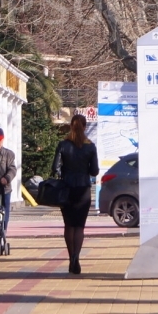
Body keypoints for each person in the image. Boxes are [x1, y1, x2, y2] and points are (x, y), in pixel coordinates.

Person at [53, 114, 98, 274]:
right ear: (85, 127)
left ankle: (71, 256)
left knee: (69, 225)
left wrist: (64, 173)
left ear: (71, 126)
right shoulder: (91, 147)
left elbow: (55, 168)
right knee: (79, 226)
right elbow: (95, 170)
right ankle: (76, 257)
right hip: (83, 189)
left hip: (66, 189)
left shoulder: (63, 145)